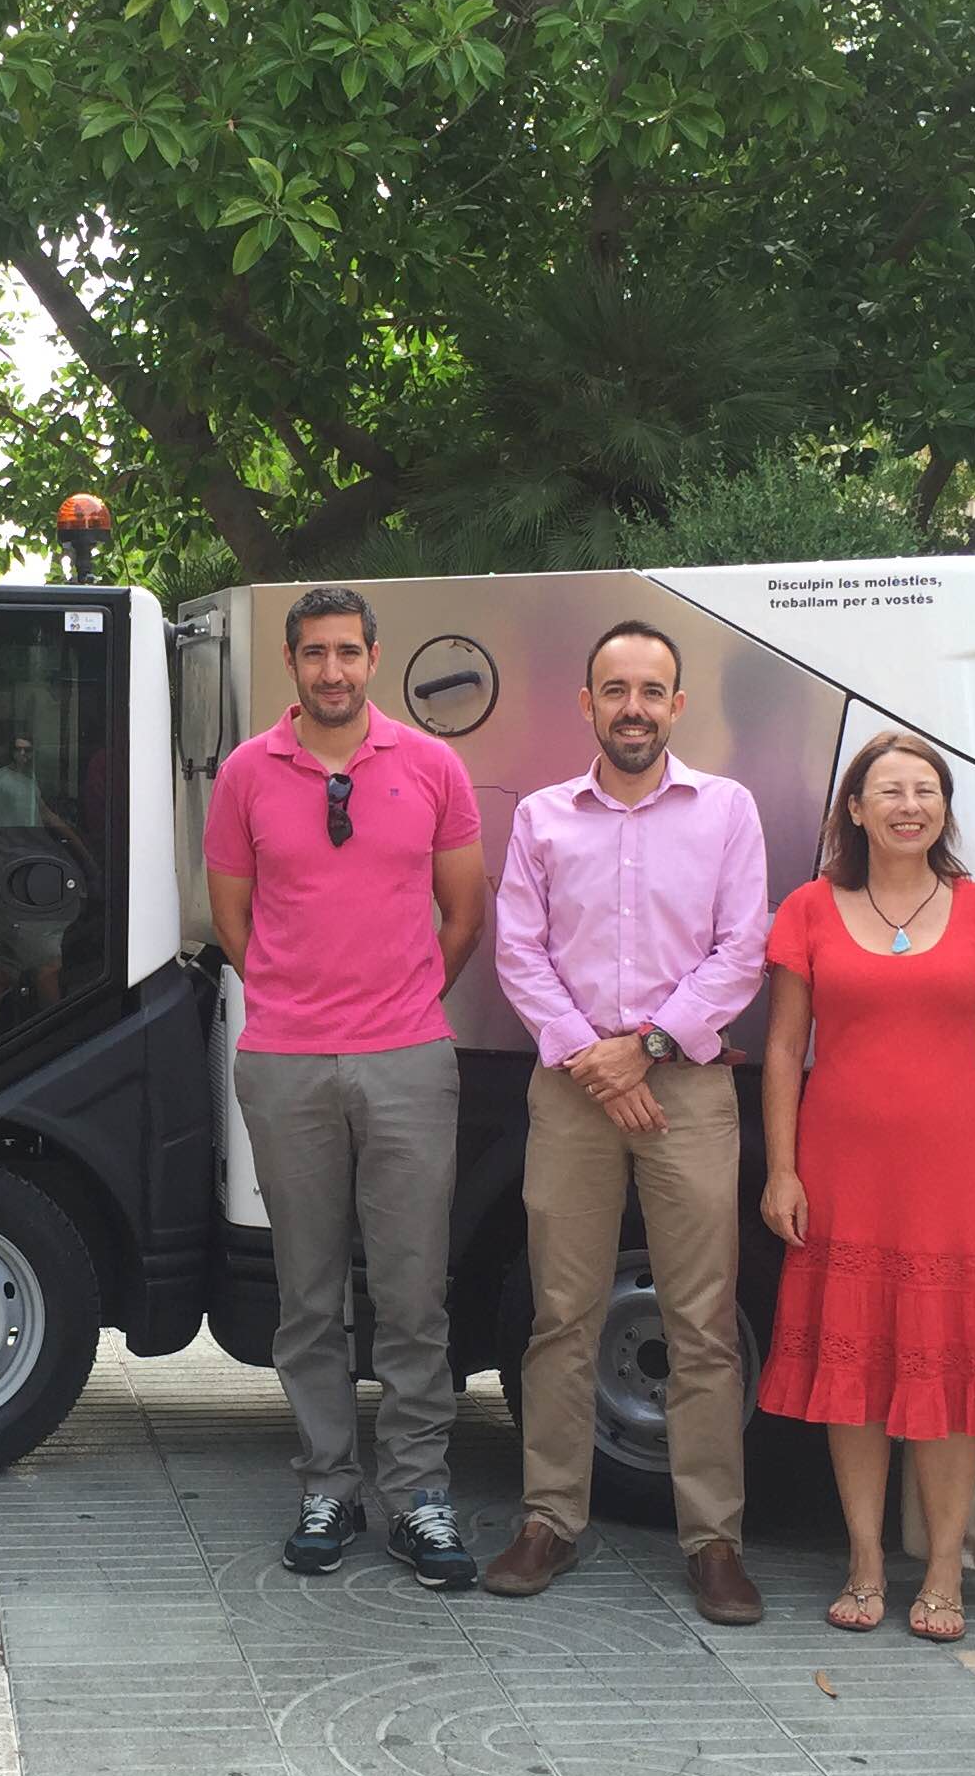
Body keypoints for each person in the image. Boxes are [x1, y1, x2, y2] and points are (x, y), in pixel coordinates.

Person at [483, 623, 773, 1625]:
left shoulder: (726, 810)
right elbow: (518, 951)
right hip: (572, 1089)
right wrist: (592, 1059)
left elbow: (742, 950)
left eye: (652, 690)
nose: (634, 708)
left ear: (677, 706)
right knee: (562, 1314)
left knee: (703, 1320)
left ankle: (714, 1540)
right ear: (589, 704)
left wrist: (642, 1049)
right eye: (616, 690)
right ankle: (548, 1520)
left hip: (682, 1087)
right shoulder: (543, 819)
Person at [206, 586, 489, 1588]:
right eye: (315, 653)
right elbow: (232, 919)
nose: (333, 669)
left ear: (374, 657)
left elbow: (465, 913)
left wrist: (400, 1002)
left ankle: (418, 1496)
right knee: (308, 1293)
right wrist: (297, 1000)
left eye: (348, 652)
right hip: (286, 1060)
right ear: (293, 663)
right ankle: (328, 1484)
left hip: (408, 1057)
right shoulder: (247, 772)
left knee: (413, 1292)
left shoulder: (433, 766)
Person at [755, 732, 975, 1641]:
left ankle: (944, 1571)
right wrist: (782, 1168)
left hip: (960, 1177)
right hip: (843, 1172)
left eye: (926, 790)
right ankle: (866, 1560)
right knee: (855, 1372)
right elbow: (782, 1050)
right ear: (855, 808)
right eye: (889, 790)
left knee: (946, 1369)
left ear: (945, 808)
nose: (909, 805)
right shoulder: (809, 909)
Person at [0, 732, 85, 1043]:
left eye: (28, 751)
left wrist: (84, 853)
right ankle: (56, 1037)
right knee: (48, 964)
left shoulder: (29, 784)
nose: (23, 756)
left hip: (25, 878)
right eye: (18, 750)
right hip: (5, 880)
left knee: (7, 965)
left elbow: (48, 816)